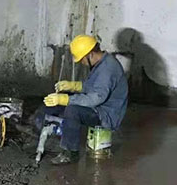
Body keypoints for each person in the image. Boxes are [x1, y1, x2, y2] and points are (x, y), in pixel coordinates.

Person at [43, 34, 128, 165]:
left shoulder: (107, 69)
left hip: (106, 115)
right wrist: (73, 86)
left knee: (73, 110)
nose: (81, 62)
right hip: (99, 107)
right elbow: (93, 87)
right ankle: (47, 130)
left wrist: (66, 99)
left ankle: (70, 153)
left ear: (90, 54)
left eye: (81, 59)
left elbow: (96, 98)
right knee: (65, 99)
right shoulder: (102, 63)